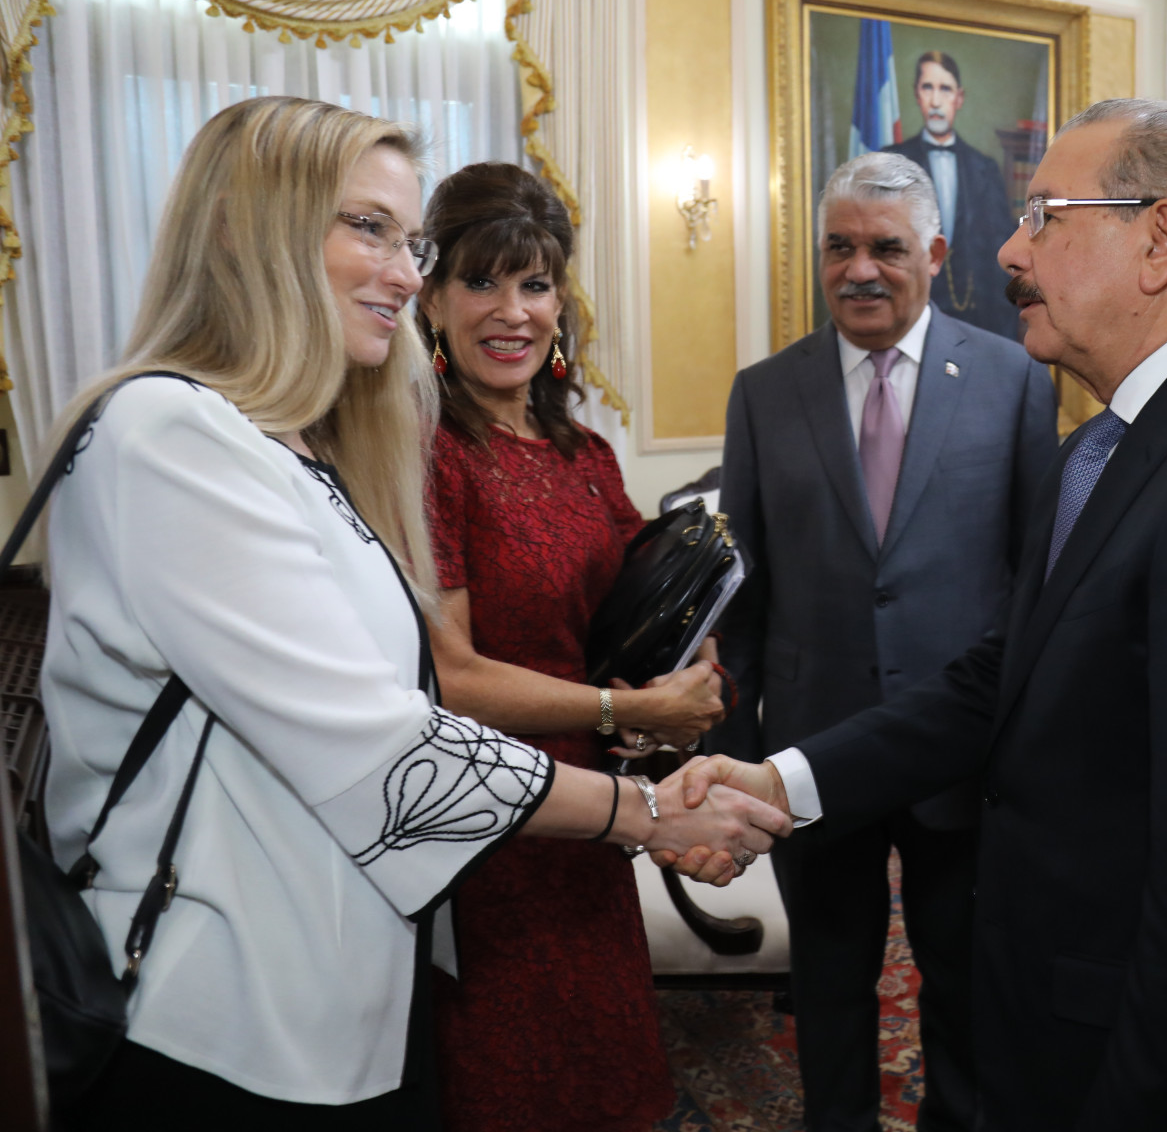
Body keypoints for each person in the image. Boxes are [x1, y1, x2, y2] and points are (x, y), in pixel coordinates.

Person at [36, 97, 785, 1125]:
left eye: (412, 243)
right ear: (246, 228)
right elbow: (390, 740)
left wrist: (663, 709)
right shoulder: (169, 431)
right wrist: (647, 809)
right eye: (370, 229)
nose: (404, 273)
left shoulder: (297, 445)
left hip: (348, 987)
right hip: (216, 1010)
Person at [671, 98, 1167, 1130]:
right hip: (1054, 1003)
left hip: (1145, 1057)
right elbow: (998, 675)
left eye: (1045, 216)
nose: (1011, 250)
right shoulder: (1113, 440)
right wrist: (784, 779)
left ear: (1158, 239)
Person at [713, 152, 1057, 1132]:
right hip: (813, 746)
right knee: (828, 986)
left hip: (961, 750)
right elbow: (743, 599)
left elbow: (1036, 582)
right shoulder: (763, 392)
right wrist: (738, 760)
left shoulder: (1012, 377)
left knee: (966, 979)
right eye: (840, 246)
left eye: (887, 248)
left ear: (935, 254)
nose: (860, 269)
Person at [415, 162, 728, 1130]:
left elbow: (639, 616)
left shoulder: (584, 454)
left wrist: (688, 679)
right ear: (431, 298)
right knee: (513, 1087)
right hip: (488, 826)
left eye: (535, 283)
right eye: (481, 280)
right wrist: (628, 709)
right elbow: (448, 679)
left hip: (596, 818)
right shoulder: (427, 451)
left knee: (611, 1079)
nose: (512, 311)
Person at [885, 51, 1023, 342]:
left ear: (959, 98)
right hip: (908, 319)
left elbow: (999, 260)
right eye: (928, 87)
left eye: (945, 89)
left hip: (975, 319)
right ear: (917, 94)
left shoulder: (985, 168)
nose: (936, 101)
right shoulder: (891, 162)